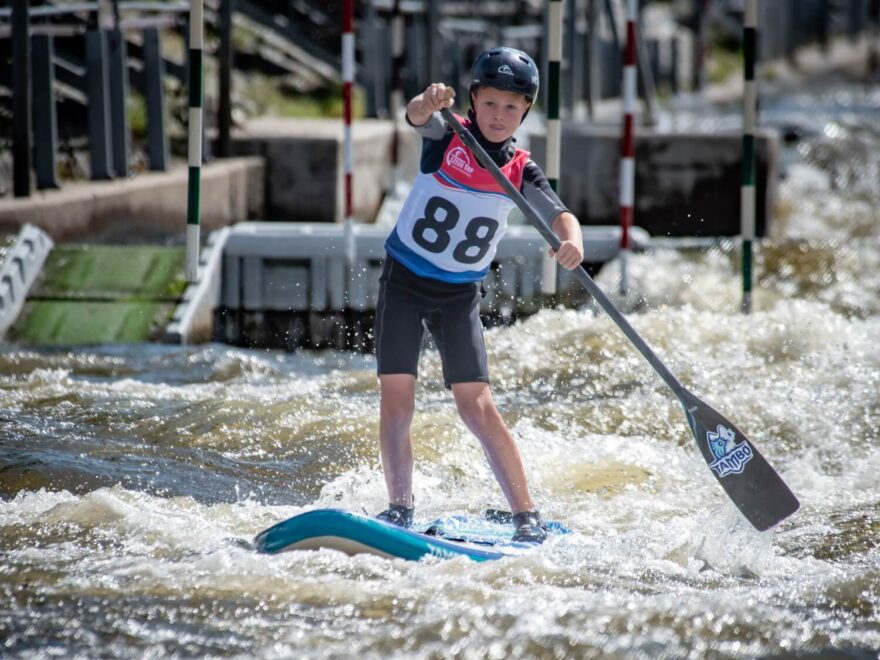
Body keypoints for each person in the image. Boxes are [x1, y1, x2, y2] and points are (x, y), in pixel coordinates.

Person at [374, 47, 584, 543]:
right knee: (397, 398)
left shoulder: (521, 170)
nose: (498, 116)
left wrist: (571, 241)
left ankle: (525, 516)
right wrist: (427, 102)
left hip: (458, 295)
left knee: (478, 406)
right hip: (403, 279)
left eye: (511, 108)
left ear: (525, 112)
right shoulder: (447, 134)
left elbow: (559, 214)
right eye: (490, 104)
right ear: (472, 100)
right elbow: (415, 116)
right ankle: (399, 509)